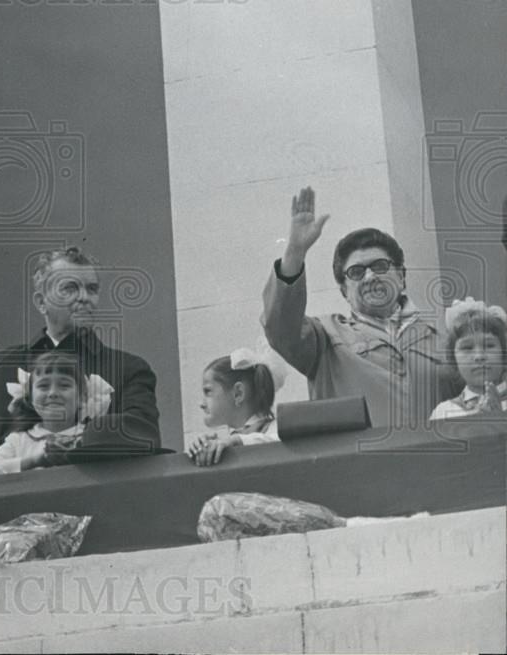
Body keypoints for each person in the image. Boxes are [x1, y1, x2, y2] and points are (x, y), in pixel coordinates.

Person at [0, 246, 161, 478]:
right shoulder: (0, 369)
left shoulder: (129, 369)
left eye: (92, 289)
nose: (84, 297)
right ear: (41, 302)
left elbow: (145, 437)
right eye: (70, 288)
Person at [262, 187, 456, 430]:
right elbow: (280, 328)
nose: (370, 277)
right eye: (356, 272)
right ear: (344, 290)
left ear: (402, 276)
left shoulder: (444, 342)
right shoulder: (324, 338)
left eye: (380, 266)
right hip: (361, 466)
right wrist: (295, 253)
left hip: (436, 465)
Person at [0, 351, 102, 477]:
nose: (53, 393)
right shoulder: (20, 440)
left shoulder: (91, 437)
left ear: (83, 397)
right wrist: (34, 461)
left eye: (64, 385)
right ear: (30, 398)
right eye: (44, 386)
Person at [186, 348, 285, 467]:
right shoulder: (225, 442)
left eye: (208, 391)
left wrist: (237, 441)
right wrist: (200, 450)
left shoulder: (276, 429)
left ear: (238, 393)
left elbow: (280, 445)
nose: (201, 404)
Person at [430, 298, 506, 420]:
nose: (479, 356)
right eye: (467, 348)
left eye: (489, 345)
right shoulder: (443, 413)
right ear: (453, 359)